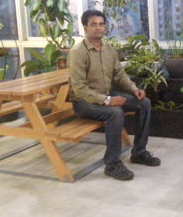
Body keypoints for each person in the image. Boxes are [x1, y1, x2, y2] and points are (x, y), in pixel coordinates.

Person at [68, 9, 160, 181]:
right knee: (115, 112)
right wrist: (108, 100)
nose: (98, 28)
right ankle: (112, 164)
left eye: (101, 24)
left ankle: (139, 152)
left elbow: (119, 75)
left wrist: (134, 89)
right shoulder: (78, 52)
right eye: (93, 24)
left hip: (105, 96)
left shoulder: (108, 48)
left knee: (144, 103)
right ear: (85, 27)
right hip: (83, 102)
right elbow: (79, 88)